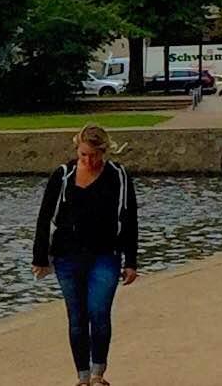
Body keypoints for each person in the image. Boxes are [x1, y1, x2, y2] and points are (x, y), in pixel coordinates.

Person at [39, 124, 144, 386]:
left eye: (94, 155)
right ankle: (82, 377)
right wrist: (40, 257)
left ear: (104, 152)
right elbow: (44, 217)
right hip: (67, 256)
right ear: (77, 150)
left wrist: (131, 261)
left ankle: (98, 373)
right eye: (83, 154)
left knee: (98, 311)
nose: (89, 160)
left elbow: (130, 219)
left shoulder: (118, 176)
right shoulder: (63, 175)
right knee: (76, 316)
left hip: (105, 254)